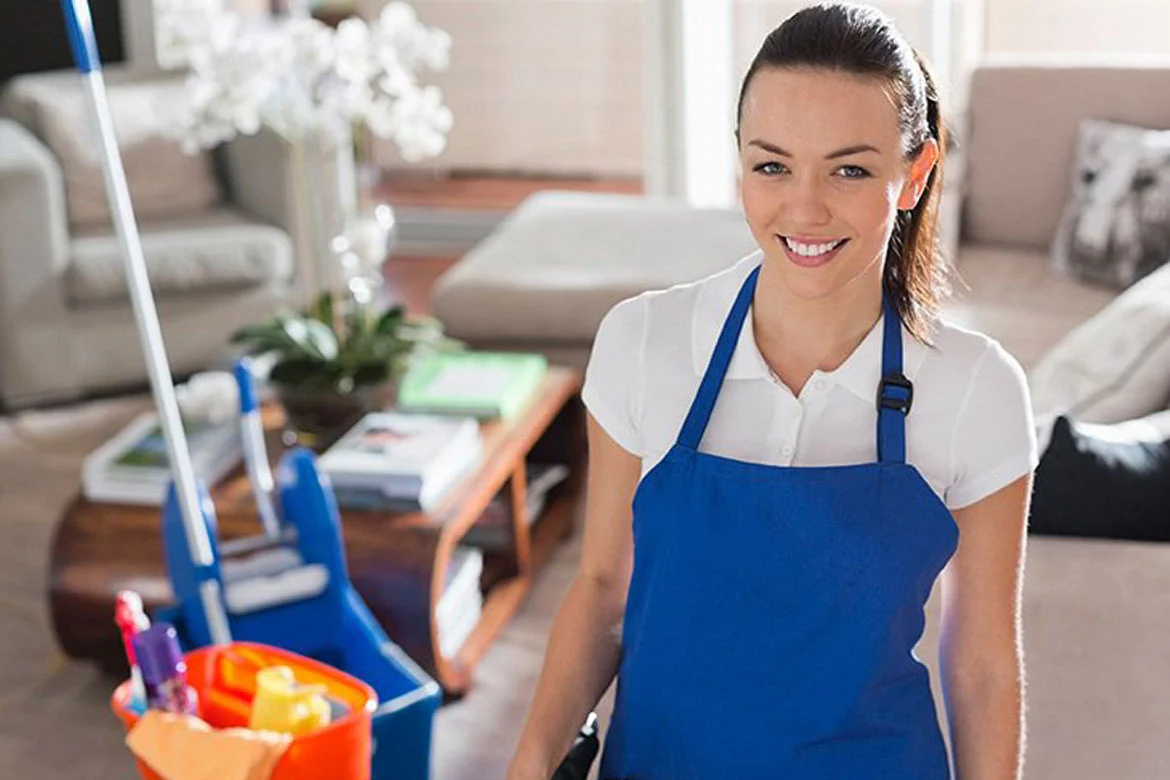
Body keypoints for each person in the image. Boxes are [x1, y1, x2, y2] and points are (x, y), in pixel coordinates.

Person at [507, 3, 1037, 778]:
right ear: (740, 164)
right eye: (772, 165)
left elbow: (984, 667)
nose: (805, 208)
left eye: (850, 169)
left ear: (915, 175)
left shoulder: (975, 389)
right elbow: (602, 588)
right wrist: (529, 765)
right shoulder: (645, 343)